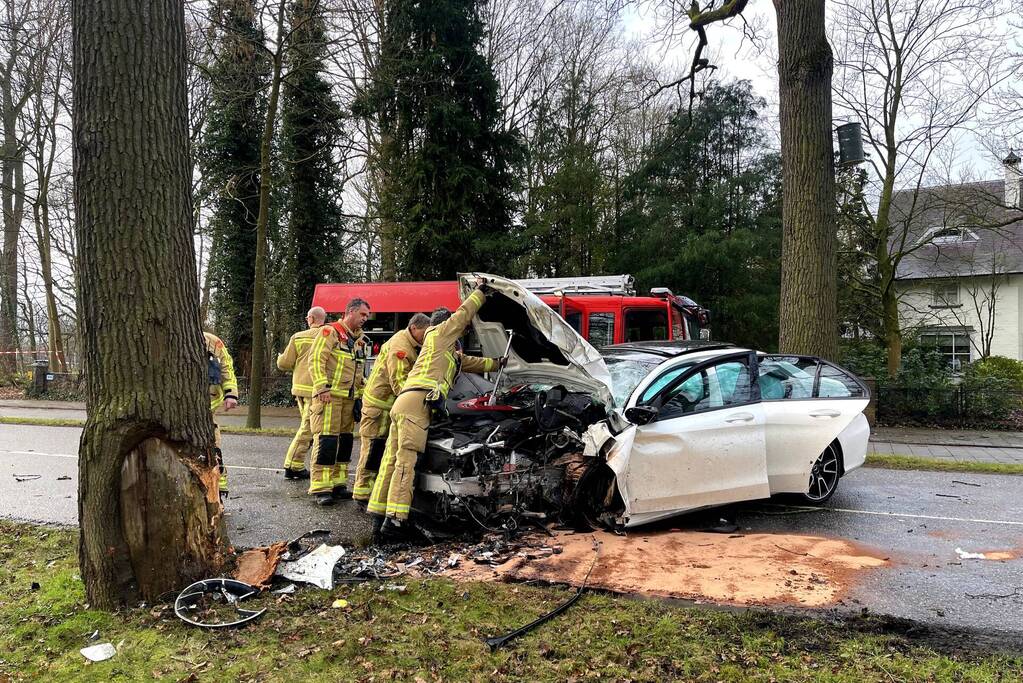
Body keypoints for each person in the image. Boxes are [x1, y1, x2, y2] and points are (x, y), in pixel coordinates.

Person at [376, 282, 503, 538]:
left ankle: (379, 515)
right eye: (459, 329)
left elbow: (472, 363)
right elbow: (462, 315)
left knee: (391, 461)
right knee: (406, 463)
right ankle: (395, 523)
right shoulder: (440, 333)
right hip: (416, 404)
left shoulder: (444, 350)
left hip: (406, 403)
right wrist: (479, 294)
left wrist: (498, 363)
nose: (462, 332)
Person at [355, 313, 430, 507]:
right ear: (414, 328)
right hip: (379, 406)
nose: (425, 337)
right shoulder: (401, 347)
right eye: (424, 333)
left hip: (387, 405)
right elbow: (399, 383)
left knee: (380, 449)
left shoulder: (409, 343)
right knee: (372, 449)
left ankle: (372, 490)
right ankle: (362, 492)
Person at [307, 298, 370, 505]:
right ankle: (321, 487)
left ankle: (338, 483)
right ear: (350, 312)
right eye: (362, 314)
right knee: (327, 440)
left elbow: (358, 372)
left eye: (367, 315)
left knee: (345, 442)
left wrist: (360, 395)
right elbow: (316, 360)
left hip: (349, 400)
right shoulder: (330, 332)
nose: (365, 318)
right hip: (329, 397)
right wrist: (322, 388)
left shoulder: (359, 340)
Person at [276, 306, 327, 479]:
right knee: (309, 427)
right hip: (320, 389)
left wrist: (280, 357)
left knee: (308, 427)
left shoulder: (298, 337)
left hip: (301, 388)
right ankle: (293, 465)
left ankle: (294, 464)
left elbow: (284, 363)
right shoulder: (330, 336)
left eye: (307, 318)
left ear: (311, 319)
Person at [205, 331, 238, 501]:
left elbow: (226, 366)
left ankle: (218, 485)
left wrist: (231, 393)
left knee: (213, 439)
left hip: (209, 399)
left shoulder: (212, 341)